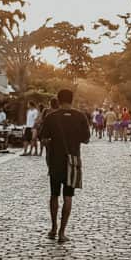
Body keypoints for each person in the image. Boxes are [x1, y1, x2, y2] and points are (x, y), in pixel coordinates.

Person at [37, 87, 91, 242]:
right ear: (72, 100)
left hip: (55, 160)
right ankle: (62, 232)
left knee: (54, 194)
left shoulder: (51, 117)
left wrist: (51, 142)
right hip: (72, 161)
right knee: (68, 196)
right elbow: (86, 139)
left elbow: (43, 138)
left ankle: (53, 227)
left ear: (58, 100)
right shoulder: (80, 116)